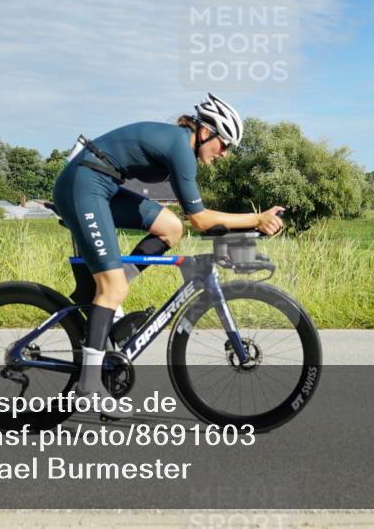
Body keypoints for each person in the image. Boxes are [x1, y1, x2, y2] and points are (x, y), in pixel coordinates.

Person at [52, 93, 284, 418]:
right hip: (83, 184)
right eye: (224, 144)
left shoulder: (180, 145)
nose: (225, 154)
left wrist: (248, 225)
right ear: (205, 132)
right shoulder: (181, 148)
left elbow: (189, 223)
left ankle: (114, 296)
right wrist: (255, 219)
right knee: (112, 286)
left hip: (100, 183)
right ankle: (89, 385)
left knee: (171, 229)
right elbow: (201, 220)